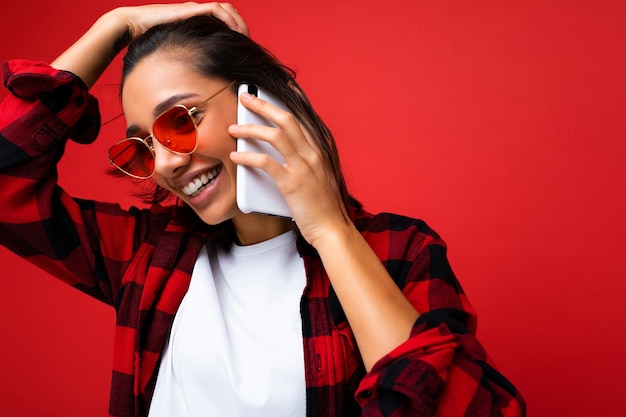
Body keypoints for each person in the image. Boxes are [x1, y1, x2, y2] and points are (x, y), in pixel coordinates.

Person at [0, 2, 526, 417]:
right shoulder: (148, 257)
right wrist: (115, 25)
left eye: (179, 120)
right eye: (141, 146)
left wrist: (330, 230)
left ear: (264, 100)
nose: (163, 164)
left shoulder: (400, 253)